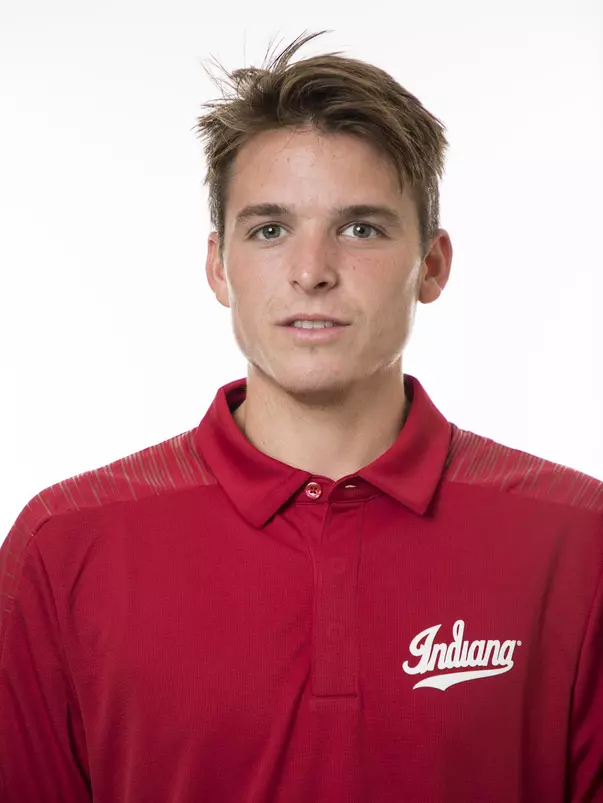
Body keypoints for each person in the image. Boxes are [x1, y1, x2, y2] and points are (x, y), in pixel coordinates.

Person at [0, 28, 601, 803]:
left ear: (433, 265)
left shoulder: (576, 541)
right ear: (219, 265)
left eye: (361, 228)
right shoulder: (63, 546)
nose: (312, 272)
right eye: (270, 229)